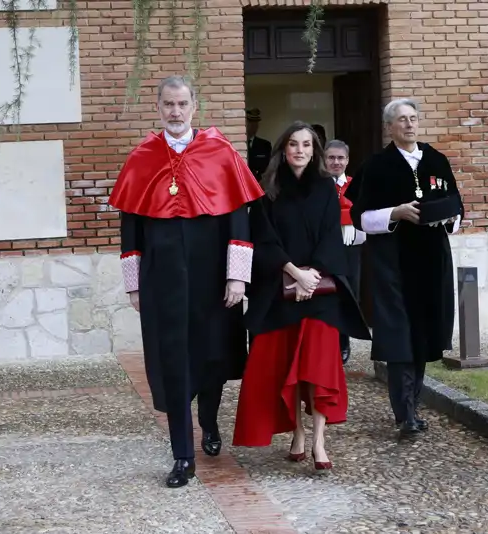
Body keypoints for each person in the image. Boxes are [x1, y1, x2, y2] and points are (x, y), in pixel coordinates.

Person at [108, 75, 264, 487]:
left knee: (212, 358)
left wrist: (237, 278)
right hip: (163, 280)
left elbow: (238, 221)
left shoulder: (222, 153)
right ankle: (183, 455)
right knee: (172, 363)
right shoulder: (142, 157)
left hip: (214, 278)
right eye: (168, 105)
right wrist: (134, 283)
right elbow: (131, 229)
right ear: (157, 108)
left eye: (182, 104)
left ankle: (209, 423)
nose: (175, 112)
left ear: (195, 105)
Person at [232, 121, 371, 469]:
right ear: (283, 149)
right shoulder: (266, 190)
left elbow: (330, 235)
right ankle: (297, 432)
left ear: (315, 151)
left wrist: (313, 277)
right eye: (293, 144)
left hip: (320, 292)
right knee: (285, 367)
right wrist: (294, 273)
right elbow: (263, 239)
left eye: (307, 145)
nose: (300, 150)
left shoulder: (325, 187)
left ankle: (319, 441)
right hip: (280, 291)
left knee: (317, 368)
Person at [346, 98, 463, 436]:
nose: (409, 125)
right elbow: (362, 218)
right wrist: (395, 213)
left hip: (430, 261)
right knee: (399, 337)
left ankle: (412, 404)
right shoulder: (377, 166)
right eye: (402, 120)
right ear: (390, 127)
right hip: (392, 264)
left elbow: (456, 207)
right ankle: (405, 413)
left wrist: (449, 217)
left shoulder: (437, 160)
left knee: (423, 335)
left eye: (413, 118)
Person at [324, 139, 366, 364]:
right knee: (327, 294)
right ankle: (328, 343)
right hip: (325, 247)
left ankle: (344, 341)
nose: (336, 162)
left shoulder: (355, 184)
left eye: (340, 158)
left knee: (351, 294)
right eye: (331, 158)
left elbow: (364, 209)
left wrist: (348, 218)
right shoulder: (318, 184)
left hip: (352, 247)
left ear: (347, 160)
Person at [246, 108, 272, 179]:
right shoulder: (237, 144)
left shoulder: (265, 145)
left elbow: (267, 169)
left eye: (256, 123)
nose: (254, 126)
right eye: (250, 122)